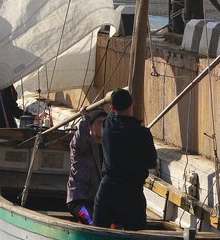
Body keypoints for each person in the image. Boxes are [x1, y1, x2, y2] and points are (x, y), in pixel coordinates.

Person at [93, 89, 157, 231]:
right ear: (133, 103)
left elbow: (111, 115)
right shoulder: (143, 134)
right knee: (136, 236)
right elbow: (151, 162)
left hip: (107, 190)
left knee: (97, 232)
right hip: (132, 192)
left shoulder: (106, 127)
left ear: (111, 108)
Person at [66, 108, 107, 224]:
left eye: (105, 123)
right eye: (100, 123)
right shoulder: (80, 146)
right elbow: (78, 142)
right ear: (90, 126)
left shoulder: (107, 147)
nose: (103, 126)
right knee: (91, 221)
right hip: (77, 201)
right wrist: (85, 118)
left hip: (98, 201)